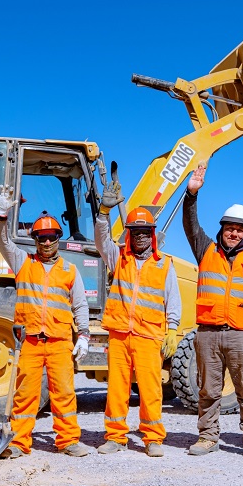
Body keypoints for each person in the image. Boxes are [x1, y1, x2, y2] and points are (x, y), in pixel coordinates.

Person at [181, 163, 243, 460]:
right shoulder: (205, 249)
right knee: (208, 390)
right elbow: (190, 224)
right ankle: (208, 437)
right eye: (229, 228)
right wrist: (191, 194)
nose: (233, 233)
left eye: (239, 229)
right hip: (208, 335)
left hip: (241, 336)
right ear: (221, 229)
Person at [0, 184, 94, 458]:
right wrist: (1, 215)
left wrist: (83, 335)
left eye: (51, 237)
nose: (46, 242)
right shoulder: (23, 263)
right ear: (35, 239)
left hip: (60, 342)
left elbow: (80, 304)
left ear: (58, 238)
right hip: (29, 343)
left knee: (64, 393)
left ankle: (68, 440)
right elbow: (2, 241)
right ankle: (18, 443)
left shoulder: (69, 270)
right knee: (25, 395)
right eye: (41, 238)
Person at [94, 177, 182, 457]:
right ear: (129, 233)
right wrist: (103, 213)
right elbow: (101, 240)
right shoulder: (117, 257)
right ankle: (115, 436)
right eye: (135, 231)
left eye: (145, 231)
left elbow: (173, 299)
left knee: (150, 389)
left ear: (152, 234)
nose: (141, 236)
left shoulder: (164, 264)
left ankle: (153, 438)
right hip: (120, 334)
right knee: (117, 389)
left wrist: (172, 329)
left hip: (149, 336)